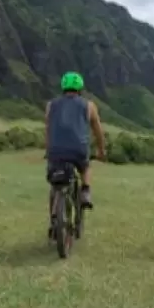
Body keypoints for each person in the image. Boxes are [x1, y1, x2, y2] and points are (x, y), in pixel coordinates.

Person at [44, 71, 106, 209]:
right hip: (78, 150)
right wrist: (101, 151)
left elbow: (48, 129)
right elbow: (98, 132)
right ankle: (85, 191)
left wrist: (48, 150)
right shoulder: (89, 106)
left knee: (55, 180)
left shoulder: (50, 105)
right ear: (80, 88)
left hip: (56, 151)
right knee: (85, 167)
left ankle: (54, 218)